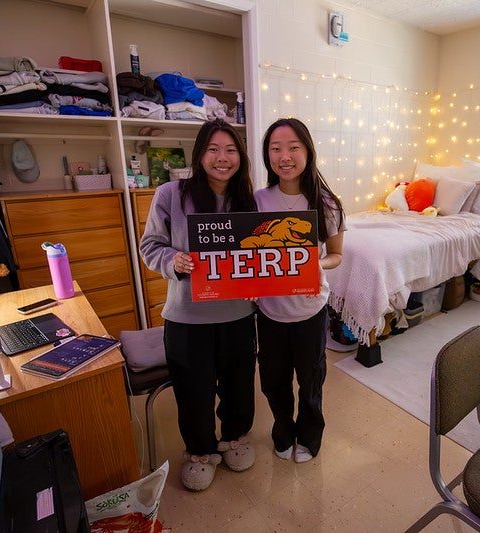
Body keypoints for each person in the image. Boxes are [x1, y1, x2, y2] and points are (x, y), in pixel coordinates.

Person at [140, 119, 258, 491]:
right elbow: (149, 247)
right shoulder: (170, 194)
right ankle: (200, 450)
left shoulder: (248, 200)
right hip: (187, 316)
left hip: (238, 313)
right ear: (199, 154)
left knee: (239, 384)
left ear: (240, 156)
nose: (222, 158)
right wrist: (173, 262)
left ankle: (234, 437)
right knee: (193, 389)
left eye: (230, 150)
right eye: (213, 150)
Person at [254, 117, 346, 463]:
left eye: (293, 147)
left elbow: (336, 255)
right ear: (268, 155)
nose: (284, 156)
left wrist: (316, 264)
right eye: (275, 148)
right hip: (269, 311)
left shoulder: (326, 203)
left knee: (310, 382)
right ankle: (282, 432)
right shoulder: (257, 199)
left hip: (310, 308)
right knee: (273, 382)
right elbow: (245, 254)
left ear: (308, 151)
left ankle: (310, 436)